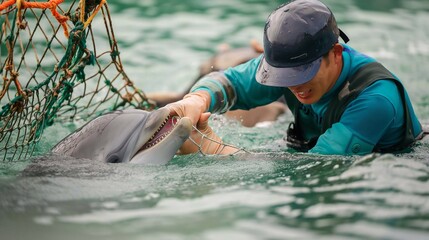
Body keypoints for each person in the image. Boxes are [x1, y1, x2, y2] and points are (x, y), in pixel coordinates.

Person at [167, 0, 424, 155]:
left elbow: (313, 169)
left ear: (335, 53)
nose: (293, 85)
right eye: (283, 75)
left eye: (302, 74)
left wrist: (215, 150)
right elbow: (231, 82)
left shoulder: (375, 99)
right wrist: (195, 101)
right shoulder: (288, 63)